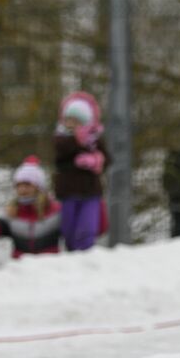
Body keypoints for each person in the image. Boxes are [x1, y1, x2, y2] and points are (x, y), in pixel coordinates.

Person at [0, 156, 61, 258]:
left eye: (27, 185)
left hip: (50, 268)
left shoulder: (56, 212)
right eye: (18, 185)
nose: (22, 190)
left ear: (39, 187)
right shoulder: (13, 213)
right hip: (20, 268)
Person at [54, 91, 111, 251]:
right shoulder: (61, 138)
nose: (71, 123)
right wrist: (77, 140)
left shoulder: (95, 139)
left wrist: (96, 160)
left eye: (76, 120)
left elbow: (107, 160)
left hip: (90, 192)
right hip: (68, 192)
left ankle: (86, 253)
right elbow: (61, 156)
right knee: (68, 228)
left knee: (87, 228)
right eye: (68, 119)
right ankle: (72, 252)